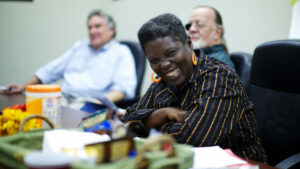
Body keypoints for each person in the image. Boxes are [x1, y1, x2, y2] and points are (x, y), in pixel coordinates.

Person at [124, 13, 267, 162]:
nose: (164, 64)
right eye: (154, 60)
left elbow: (193, 139)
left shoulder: (218, 76)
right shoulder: (164, 81)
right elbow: (129, 116)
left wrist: (147, 127)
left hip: (239, 163)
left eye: (171, 53)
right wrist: (164, 113)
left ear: (189, 44)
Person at [2, 10, 137, 108]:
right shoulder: (81, 46)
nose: (92, 31)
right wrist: (23, 86)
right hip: (62, 97)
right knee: (21, 111)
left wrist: (97, 104)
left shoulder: (121, 52)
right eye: (89, 27)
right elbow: (50, 70)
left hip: (89, 103)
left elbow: (125, 88)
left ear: (111, 30)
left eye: (97, 26)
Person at [186, 6, 235, 70]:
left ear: (217, 32)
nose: (191, 29)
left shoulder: (218, 65)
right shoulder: (197, 59)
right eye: (189, 25)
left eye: (200, 24)